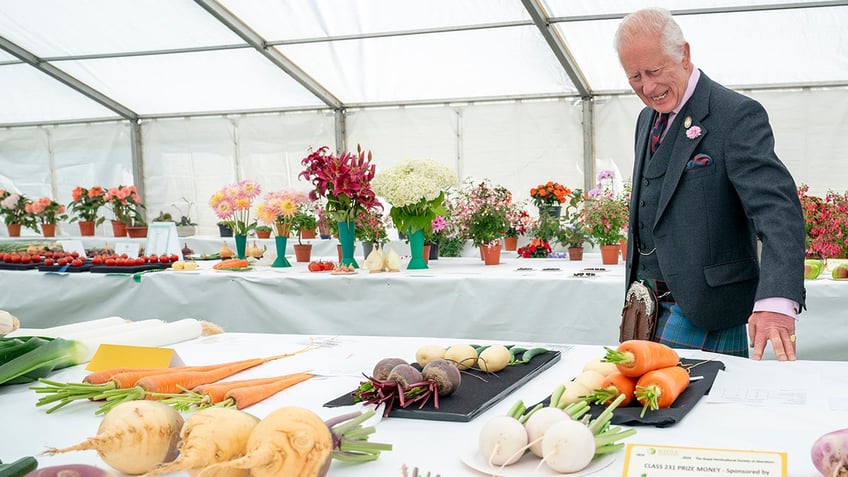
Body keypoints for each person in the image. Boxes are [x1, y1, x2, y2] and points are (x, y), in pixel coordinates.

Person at [614, 8, 806, 361]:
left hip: (707, 308)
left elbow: (778, 211)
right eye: (635, 77)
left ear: (684, 55)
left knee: (689, 411)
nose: (648, 87)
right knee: (639, 410)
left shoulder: (735, 115)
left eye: (655, 71)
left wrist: (776, 300)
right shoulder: (645, 120)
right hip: (644, 309)